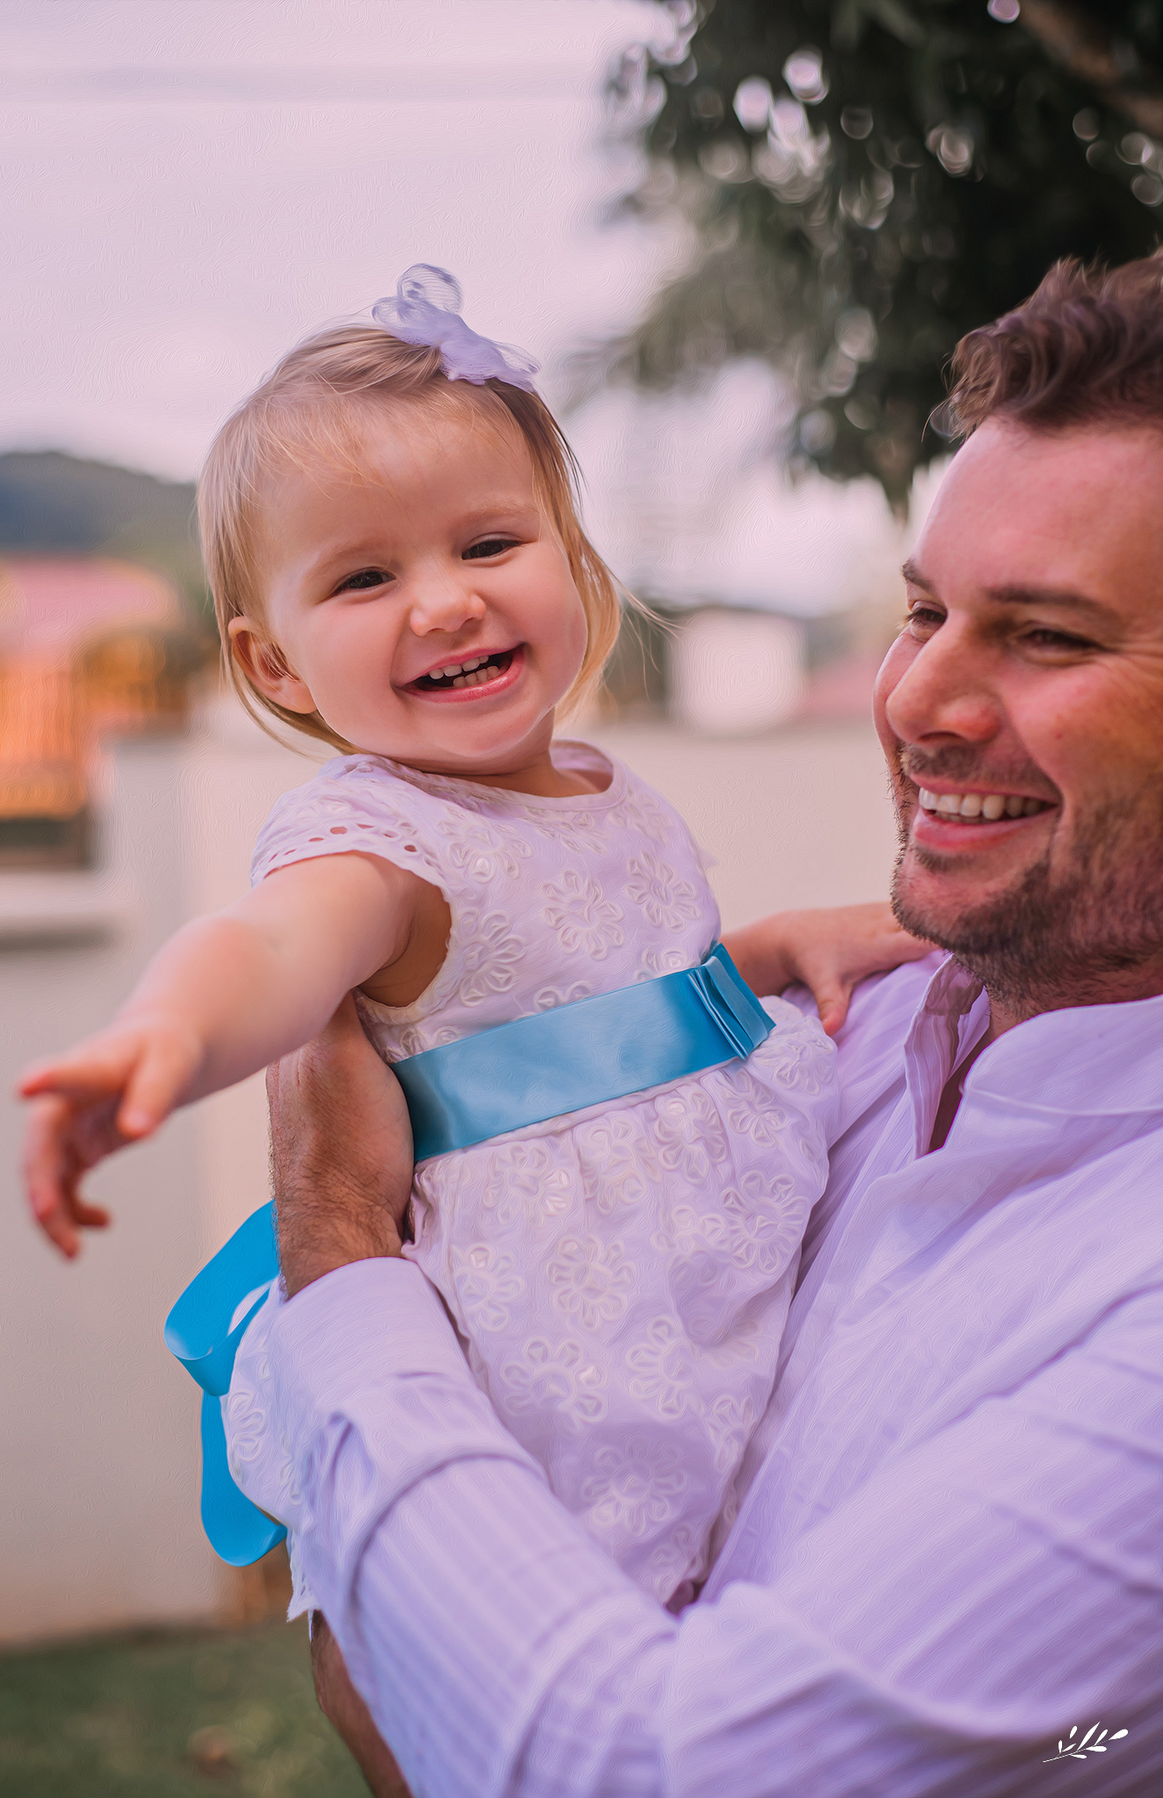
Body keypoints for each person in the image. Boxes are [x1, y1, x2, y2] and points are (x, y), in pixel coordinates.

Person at [225, 254, 1163, 1797]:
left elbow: (644, 1771)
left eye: (1047, 635)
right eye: (924, 608)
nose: (921, 697)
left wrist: (339, 1255)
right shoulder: (847, 1038)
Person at [17, 266, 924, 1605]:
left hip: (716, 1292)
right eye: (368, 575)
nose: (442, 600)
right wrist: (165, 1033)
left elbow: (622, 1003)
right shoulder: (381, 844)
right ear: (274, 665)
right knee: (594, 1645)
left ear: (573, 560)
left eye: (488, 546)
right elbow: (269, 950)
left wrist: (778, 950)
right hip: (561, 1344)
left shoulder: (608, 786)